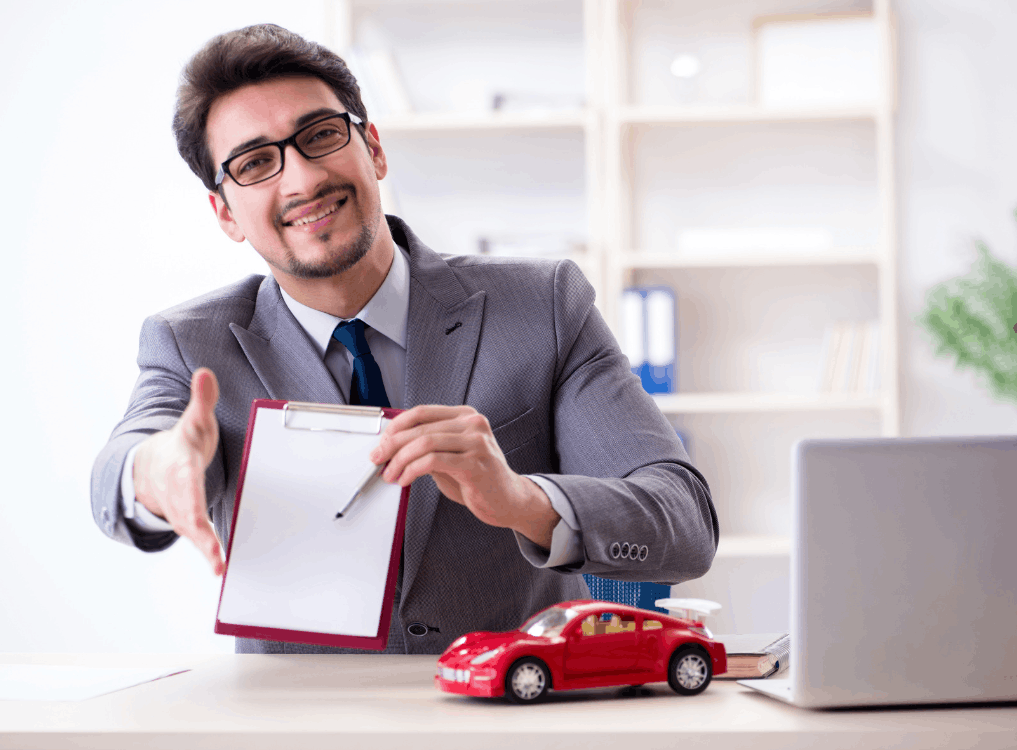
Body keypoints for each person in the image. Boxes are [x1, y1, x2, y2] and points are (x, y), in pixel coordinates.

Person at [90, 23, 718, 655]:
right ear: (225, 212)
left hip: (513, 706)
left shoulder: (541, 306)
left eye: (321, 136)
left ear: (374, 149)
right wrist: (153, 472)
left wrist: (526, 500)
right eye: (255, 163)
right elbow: (124, 463)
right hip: (302, 720)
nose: (303, 179)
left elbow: (685, 523)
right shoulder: (189, 343)